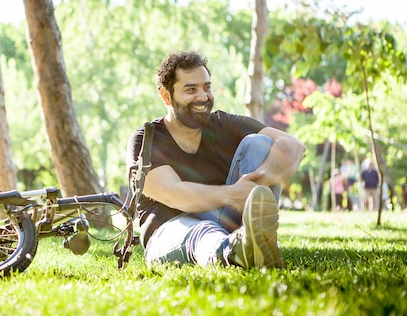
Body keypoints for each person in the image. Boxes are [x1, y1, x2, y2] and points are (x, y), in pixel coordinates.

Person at [126, 51, 306, 270]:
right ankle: (233, 253)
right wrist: (234, 195)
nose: (203, 96)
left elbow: (293, 146)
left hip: (228, 222)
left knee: (261, 144)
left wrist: (259, 181)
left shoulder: (223, 123)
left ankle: (254, 242)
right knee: (202, 232)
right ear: (166, 96)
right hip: (171, 230)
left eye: (207, 87)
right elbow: (171, 193)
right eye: (191, 89)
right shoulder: (146, 139)